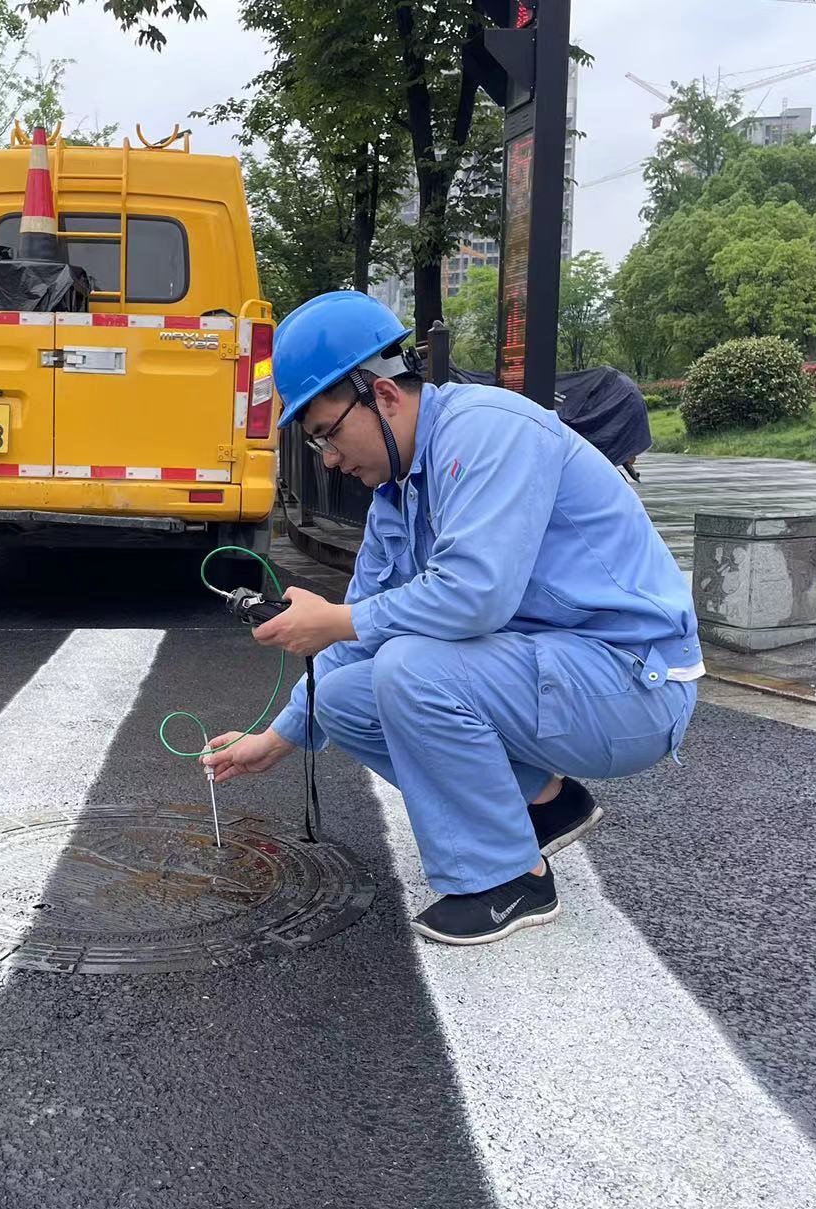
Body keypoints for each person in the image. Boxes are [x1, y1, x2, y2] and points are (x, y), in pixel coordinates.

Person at [201, 291, 702, 947]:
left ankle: (510, 878)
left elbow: (473, 596)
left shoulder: (488, 431)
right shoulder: (398, 492)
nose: (327, 458)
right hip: (557, 675)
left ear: (384, 395)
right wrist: (276, 738)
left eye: (326, 433)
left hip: (634, 683)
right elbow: (357, 636)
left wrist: (338, 621)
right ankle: (544, 804)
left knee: (411, 667)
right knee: (346, 695)